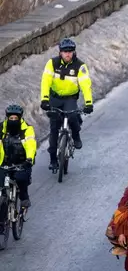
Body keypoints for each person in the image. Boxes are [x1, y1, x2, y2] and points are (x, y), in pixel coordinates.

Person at [40, 38, 94, 171]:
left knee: (73, 116)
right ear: (60, 53)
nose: (68, 54)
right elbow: (45, 82)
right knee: (54, 128)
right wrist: (45, 99)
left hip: (70, 98)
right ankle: (53, 159)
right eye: (65, 52)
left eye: (70, 52)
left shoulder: (80, 66)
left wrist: (88, 103)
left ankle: (76, 135)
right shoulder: (52, 63)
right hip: (55, 99)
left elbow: (86, 86)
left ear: (73, 52)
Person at [0, 105, 36, 208]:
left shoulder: (27, 129)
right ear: (7, 118)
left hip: (22, 163)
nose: (13, 120)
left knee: (21, 179)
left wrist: (29, 159)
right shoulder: (1, 128)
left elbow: (31, 145)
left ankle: (24, 197)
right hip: (4, 163)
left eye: (15, 118)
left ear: (20, 118)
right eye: (11, 118)